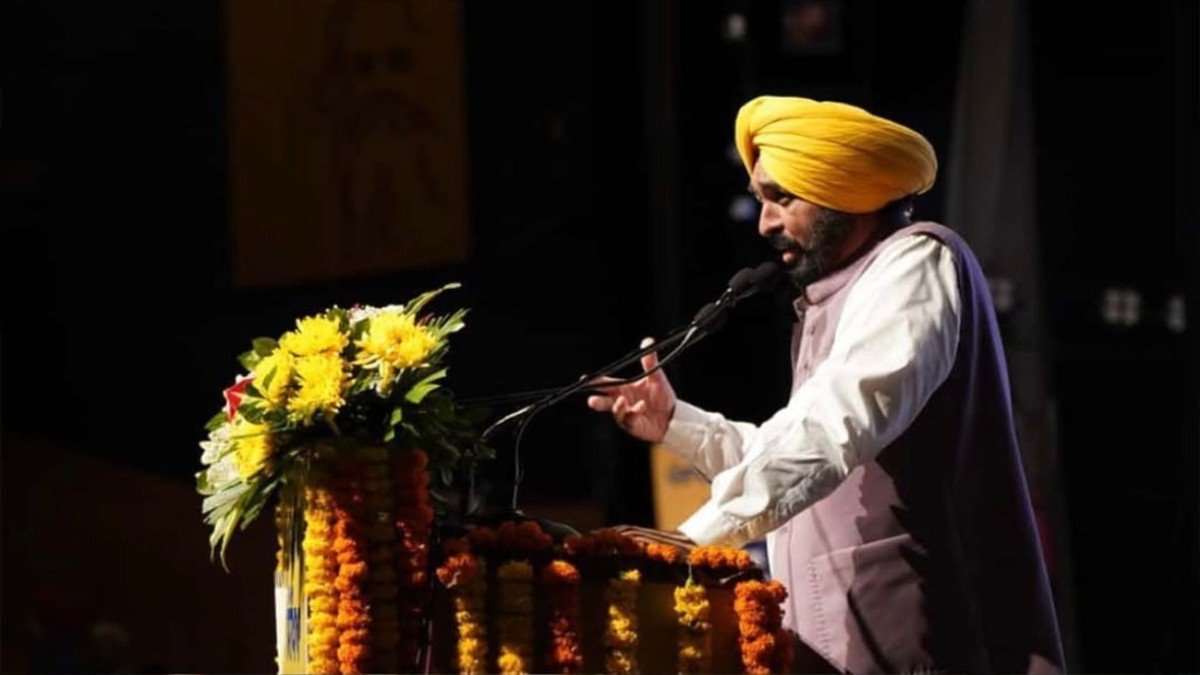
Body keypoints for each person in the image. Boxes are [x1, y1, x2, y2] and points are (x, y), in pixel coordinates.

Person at [588, 96, 1065, 673]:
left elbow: (838, 425)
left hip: (919, 642)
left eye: (781, 198)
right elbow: (797, 454)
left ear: (841, 190)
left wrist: (697, 540)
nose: (765, 223)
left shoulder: (917, 262)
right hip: (831, 641)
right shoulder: (837, 293)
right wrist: (677, 424)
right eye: (761, 200)